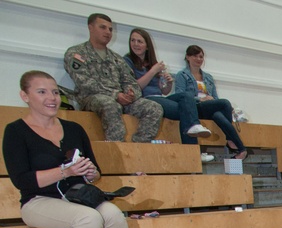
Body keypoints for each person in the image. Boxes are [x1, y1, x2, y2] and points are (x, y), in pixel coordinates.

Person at [4, 70, 136, 228]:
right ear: (25, 96)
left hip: (77, 197)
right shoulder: (15, 132)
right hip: (38, 202)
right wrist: (65, 172)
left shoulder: (74, 129)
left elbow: (93, 171)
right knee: (88, 218)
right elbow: (22, 180)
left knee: (114, 215)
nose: (52, 98)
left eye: (55, 92)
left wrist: (91, 173)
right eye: (42, 92)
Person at [63, 13, 163, 143]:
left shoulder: (116, 58)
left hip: (121, 99)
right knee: (110, 104)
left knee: (154, 107)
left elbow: (130, 81)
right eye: (103, 27)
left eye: (110, 29)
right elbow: (84, 82)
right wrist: (116, 95)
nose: (108, 32)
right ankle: (116, 148)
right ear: (90, 28)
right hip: (92, 99)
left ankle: (138, 146)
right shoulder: (76, 53)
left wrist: (130, 94)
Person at [123, 29, 213, 162]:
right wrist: (153, 71)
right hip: (145, 99)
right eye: (133, 40)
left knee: (186, 96)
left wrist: (167, 83)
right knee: (185, 112)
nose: (135, 44)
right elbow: (135, 87)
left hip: (160, 97)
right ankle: (193, 151)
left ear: (147, 45)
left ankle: (194, 135)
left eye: (139, 41)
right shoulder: (127, 61)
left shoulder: (152, 63)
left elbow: (164, 91)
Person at [173, 45, 247, 160]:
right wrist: (200, 99)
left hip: (209, 107)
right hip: (194, 107)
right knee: (225, 103)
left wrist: (212, 100)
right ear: (188, 57)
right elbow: (180, 96)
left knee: (219, 114)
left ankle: (240, 149)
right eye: (195, 56)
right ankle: (232, 140)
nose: (198, 59)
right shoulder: (182, 75)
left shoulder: (208, 77)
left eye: (201, 56)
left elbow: (215, 97)